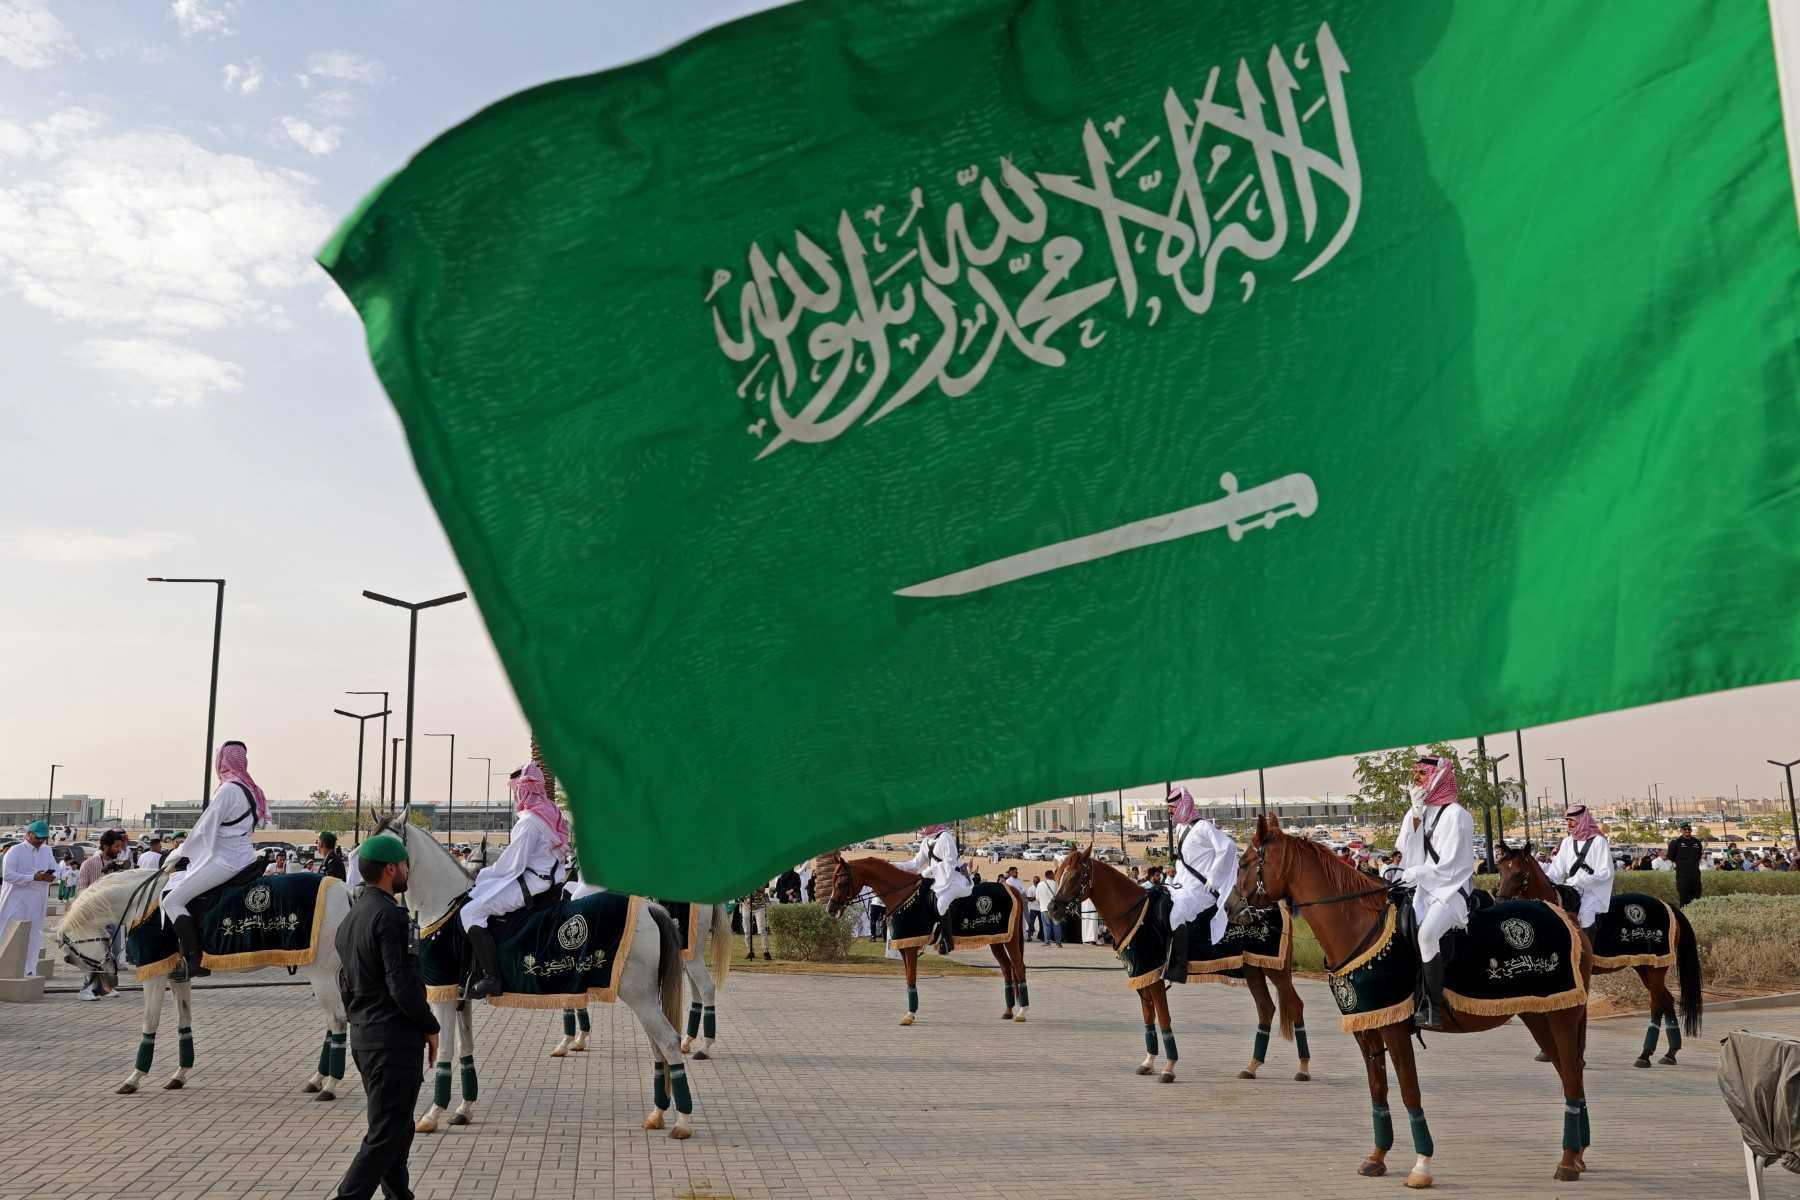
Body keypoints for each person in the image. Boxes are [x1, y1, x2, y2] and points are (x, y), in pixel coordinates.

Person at [331, 833, 439, 1200]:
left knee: (395, 1129)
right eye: (406, 865)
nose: (408, 870)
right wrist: (430, 1026)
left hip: (365, 1038)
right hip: (393, 1041)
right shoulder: (391, 917)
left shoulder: (352, 919)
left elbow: (343, 982)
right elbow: (403, 984)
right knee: (387, 1134)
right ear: (391, 869)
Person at [462, 762, 568, 999]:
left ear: (524, 790)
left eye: (516, 790)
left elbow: (513, 865)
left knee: (470, 911)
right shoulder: (551, 810)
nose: (514, 795)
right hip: (551, 881)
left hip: (535, 884)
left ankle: (491, 978)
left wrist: (483, 875)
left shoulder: (529, 822)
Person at [162, 741, 266, 981]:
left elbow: (203, 829)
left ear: (222, 761)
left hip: (226, 860)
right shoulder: (251, 789)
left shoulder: (228, 789)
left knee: (172, 900)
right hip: (243, 856)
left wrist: (177, 854)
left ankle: (195, 959)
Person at [1391, 756, 1474, 1032]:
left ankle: (1433, 1007)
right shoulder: (1418, 811)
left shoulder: (1457, 815)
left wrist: (1418, 873)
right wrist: (1415, 813)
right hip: (1424, 889)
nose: (1417, 782)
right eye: (1415, 777)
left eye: (1422, 776)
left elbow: (1452, 864)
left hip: (1451, 890)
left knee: (1426, 935)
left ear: (1438, 778)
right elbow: (1408, 850)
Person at [1163, 787, 1238, 985]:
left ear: (1182, 805)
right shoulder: (1180, 829)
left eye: (1172, 807)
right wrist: (1172, 877)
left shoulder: (1204, 827)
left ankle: (1179, 967)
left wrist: (1214, 876)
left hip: (1202, 890)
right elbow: (1185, 862)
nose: (1170, 811)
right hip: (1183, 885)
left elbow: (1228, 847)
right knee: (1159, 901)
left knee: (1176, 913)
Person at [898, 822, 972, 954]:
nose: (922, 827)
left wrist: (928, 871)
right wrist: (894, 865)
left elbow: (950, 863)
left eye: (925, 824)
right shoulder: (926, 841)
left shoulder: (945, 837)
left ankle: (948, 941)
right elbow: (915, 864)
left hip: (955, 879)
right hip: (939, 879)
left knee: (941, 904)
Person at [0, 821, 61, 979]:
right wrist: (33, 877)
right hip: (16, 902)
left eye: (43, 838)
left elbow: (58, 869)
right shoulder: (15, 851)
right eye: (37, 837)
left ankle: (29, 971)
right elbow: (8, 875)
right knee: (9, 935)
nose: (40, 841)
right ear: (28, 834)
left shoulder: (46, 851)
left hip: (37, 903)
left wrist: (52, 877)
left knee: (34, 936)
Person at [1546, 806, 1614, 930]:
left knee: (1586, 915)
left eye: (1572, 820)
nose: (1569, 824)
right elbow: (1557, 869)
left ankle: (1588, 947)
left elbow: (1606, 872)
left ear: (1583, 819)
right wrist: (1546, 881)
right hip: (1571, 889)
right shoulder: (1567, 842)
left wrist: (1584, 881)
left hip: (1592, 891)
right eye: (1567, 820)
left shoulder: (1599, 841)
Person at [741, 886, 771, 960]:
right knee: (747, 931)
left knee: (762, 930)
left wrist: (753, 884)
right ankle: (750, 951)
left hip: (759, 906)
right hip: (746, 906)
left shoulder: (758, 877)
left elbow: (762, 889)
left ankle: (766, 952)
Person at [1034, 873, 1062, 946]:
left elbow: (1037, 897)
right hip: (1054, 908)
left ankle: (1047, 942)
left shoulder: (1040, 884)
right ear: (1051, 875)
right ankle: (1058, 943)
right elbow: (1059, 895)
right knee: (1056, 926)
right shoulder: (1056, 884)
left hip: (1044, 908)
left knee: (1046, 926)